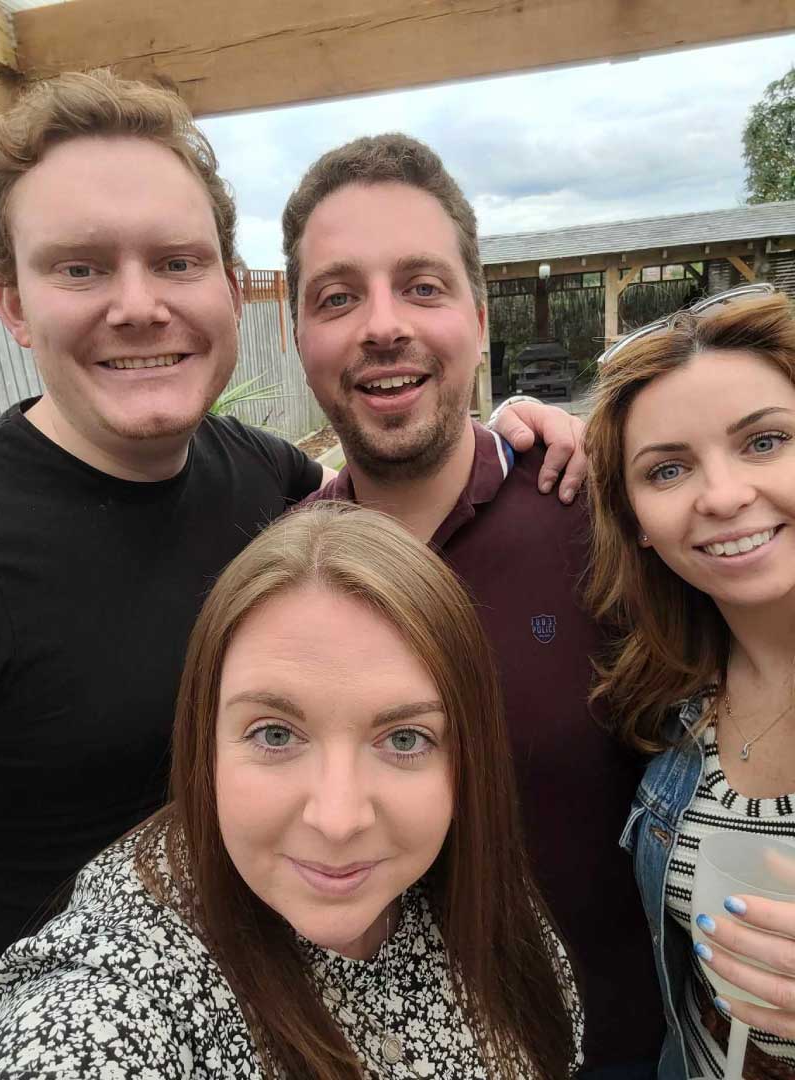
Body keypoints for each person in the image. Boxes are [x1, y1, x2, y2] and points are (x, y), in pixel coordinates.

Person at [0, 70, 580, 963]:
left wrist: (525, 436)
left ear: (232, 291)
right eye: (80, 267)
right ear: (13, 305)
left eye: (177, 262)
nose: (140, 305)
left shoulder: (271, 488)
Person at [285, 132, 666, 1076]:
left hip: (619, 1050)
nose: (383, 325)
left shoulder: (601, 511)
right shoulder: (281, 572)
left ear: (480, 317)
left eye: (422, 286)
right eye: (338, 296)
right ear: (299, 334)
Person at [0, 502, 584, 1079]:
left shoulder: (479, 895)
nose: (337, 819)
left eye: (405, 739)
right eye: (276, 734)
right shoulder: (120, 994)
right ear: (206, 741)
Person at [585, 283, 795, 1080]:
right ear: (635, 517)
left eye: (765, 442)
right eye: (668, 469)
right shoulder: (674, 701)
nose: (723, 495)